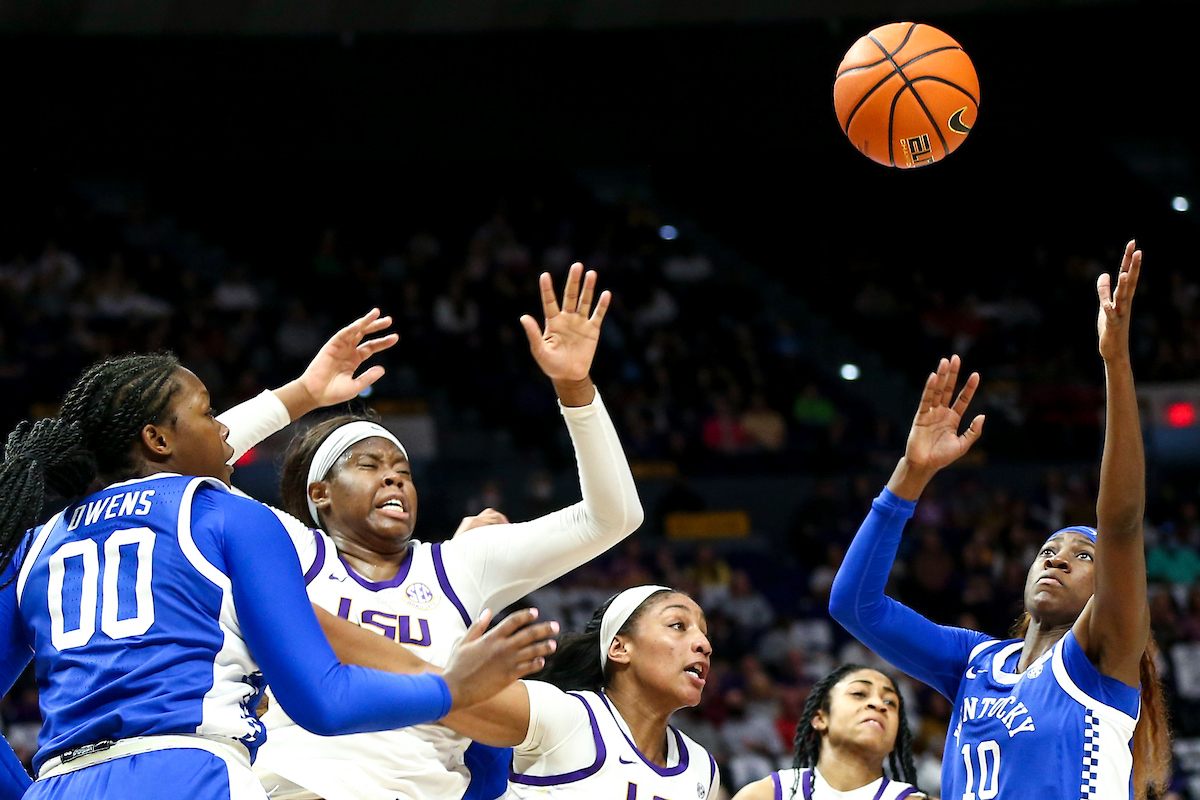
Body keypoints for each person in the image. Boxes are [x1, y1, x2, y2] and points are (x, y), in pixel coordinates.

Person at [0, 352, 557, 800]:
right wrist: (448, 689)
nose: (223, 429)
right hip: (192, 774)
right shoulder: (228, 515)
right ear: (158, 439)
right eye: (207, 412)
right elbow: (324, 701)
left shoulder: (37, 543)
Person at [217, 265, 646, 800]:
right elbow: (188, 470)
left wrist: (574, 388)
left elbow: (614, 518)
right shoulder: (286, 549)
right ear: (319, 493)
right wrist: (300, 394)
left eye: (402, 469)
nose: (394, 475)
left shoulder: (462, 563)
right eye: (369, 465)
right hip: (302, 786)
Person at [828, 241, 1171, 799]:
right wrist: (910, 476)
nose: (1058, 557)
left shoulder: (1102, 654)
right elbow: (854, 606)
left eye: (1083, 556)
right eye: (1050, 550)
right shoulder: (975, 661)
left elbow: (1123, 522)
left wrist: (1116, 363)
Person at [442, 585, 719, 799]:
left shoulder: (703, 769)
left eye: (704, 633)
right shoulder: (570, 718)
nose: (703, 644)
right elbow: (447, 696)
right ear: (619, 649)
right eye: (678, 625)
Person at [731, 664, 924, 800]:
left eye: (890, 702)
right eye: (859, 693)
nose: (879, 704)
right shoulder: (764, 795)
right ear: (821, 719)